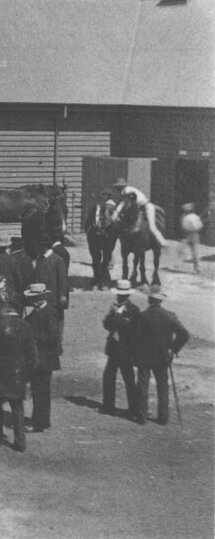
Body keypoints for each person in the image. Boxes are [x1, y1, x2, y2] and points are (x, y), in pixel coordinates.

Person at [130, 286, 190, 425]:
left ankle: (141, 416)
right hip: (163, 356)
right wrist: (173, 348)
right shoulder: (170, 316)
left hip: (144, 356)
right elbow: (184, 334)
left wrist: (133, 354)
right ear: (161, 300)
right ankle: (163, 418)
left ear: (149, 299)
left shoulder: (141, 316)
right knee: (162, 386)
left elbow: (135, 338)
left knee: (142, 384)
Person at [0, 299, 36, 451]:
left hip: (0, 372)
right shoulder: (26, 326)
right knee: (17, 408)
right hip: (18, 373)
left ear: (6, 310)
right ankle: (20, 441)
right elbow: (31, 353)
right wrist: (27, 372)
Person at [24, 283, 61, 432]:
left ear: (42, 297)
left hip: (45, 359)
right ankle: (41, 421)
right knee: (38, 391)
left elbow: (53, 337)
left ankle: (39, 422)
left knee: (41, 391)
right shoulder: (36, 312)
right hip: (39, 358)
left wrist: (32, 336)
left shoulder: (49, 313)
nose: (32, 301)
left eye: (35, 298)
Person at [101, 279, 140, 416]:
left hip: (126, 349)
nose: (119, 297)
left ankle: (134, 408)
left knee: (128, 378)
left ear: (127, 296)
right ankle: (108, 406)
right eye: (119, 295)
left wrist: (117, 316)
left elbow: (131, 330)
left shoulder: (133, 310)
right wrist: (113, 316)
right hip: (113, 347)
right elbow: (106, 325)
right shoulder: (114, 308)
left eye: (122, 295)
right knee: (108, 377)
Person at [112, 180, 170, 247]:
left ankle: (162, 242)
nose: (116, 189)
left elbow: (126, 202)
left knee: (152, 226)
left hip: (147, 207)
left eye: (117, 187)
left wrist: (117, 212)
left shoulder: (127, 190)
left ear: (120, 186)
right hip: (140, 208)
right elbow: (124, 203)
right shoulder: (126, 191)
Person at [34, 236, 69, 346]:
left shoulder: (58, 260)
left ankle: (57, 345)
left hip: (55, 298)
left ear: (44, 246)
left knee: (57, 321)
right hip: (43, 297)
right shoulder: (39, 259)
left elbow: (63, 280)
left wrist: (63, 296)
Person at [179, 203, 203, 274]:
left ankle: (180, 263)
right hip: (195, 234)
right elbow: (200, 226)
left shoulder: (185, 218)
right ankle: (197, 268)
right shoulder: (195, 216)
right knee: (195, 251)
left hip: (188, 234)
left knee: (183, 249)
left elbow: (183, 227)